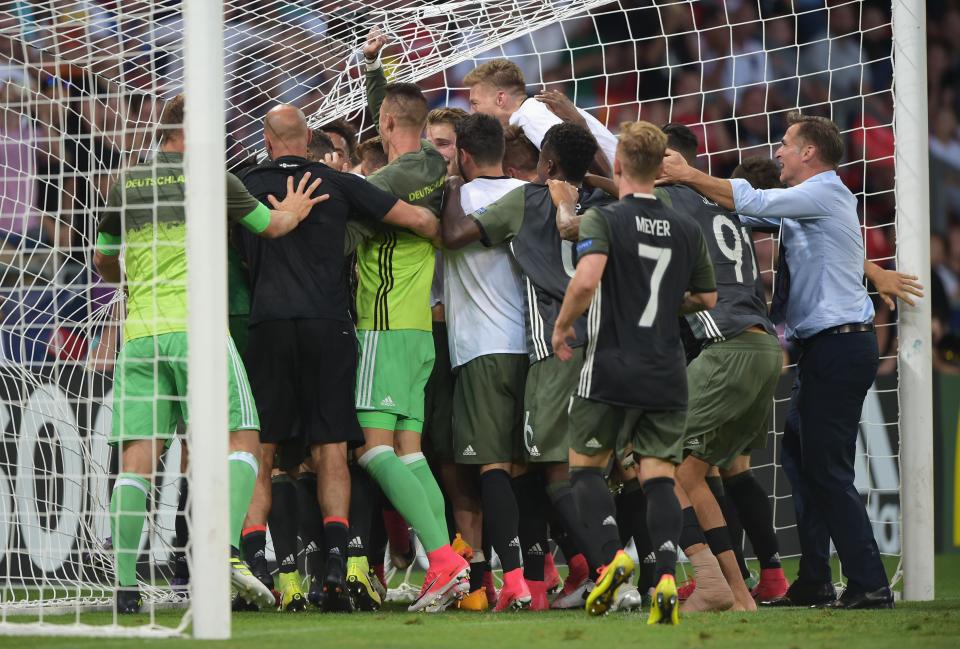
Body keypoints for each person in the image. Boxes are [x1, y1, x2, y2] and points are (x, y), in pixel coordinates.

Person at [658, 111, 918, 610]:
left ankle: (869, 584)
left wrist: (687, 173)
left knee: (828, 469)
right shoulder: (814, 203)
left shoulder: (823, 190)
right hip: (819, 348)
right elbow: (741, 213)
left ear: (809, 153)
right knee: (800, 462)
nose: (777, 151)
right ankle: (815, 578)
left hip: (840, 346)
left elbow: (749, 200)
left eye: (785, 143)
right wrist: (871, 269)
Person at [93, 94, 325, 614]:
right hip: (198, 329)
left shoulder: (124, 183)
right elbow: (274, 228)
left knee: (137, 462)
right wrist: (295, 207)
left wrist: (133, 280)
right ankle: (223, 549)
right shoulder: (213, 179)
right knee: (243, 438)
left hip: (140, 334)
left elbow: (103, 261)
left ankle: (126, 589)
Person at [237, 104, 441, 612]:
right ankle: (338, 568)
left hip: (268, 326)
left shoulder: (241, 184)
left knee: (264, 450)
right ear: (308, 137)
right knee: (332, 448)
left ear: (265, 138)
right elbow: (417, 219)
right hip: (329, 328)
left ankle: (261, 567)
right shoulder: (337, 182)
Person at [551, 120, 717, 623]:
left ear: (619, 164)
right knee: (659, 477)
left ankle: (611, 559)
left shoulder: (607, 218)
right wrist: (667, 303)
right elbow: (707, 298)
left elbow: (586, 280)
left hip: (611, 364)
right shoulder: (687, 228)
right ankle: (667, 576)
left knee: (583, 468)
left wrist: (562, 328)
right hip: (667, 367)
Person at [441, 122, 610, 610]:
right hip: (595, 340)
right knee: (548, 466)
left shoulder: (524, 199)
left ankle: (596, 568)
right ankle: (554, 578)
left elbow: (452, 234)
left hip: (548, 343)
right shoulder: (597, 203)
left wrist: (452, 186)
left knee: (542, 470)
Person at [354, 29, 469, 613]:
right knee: (408, 453)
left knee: (372, 452)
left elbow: (353, 207)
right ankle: (449, 561)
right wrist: (379, 66)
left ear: (382, 125)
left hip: (383, 329)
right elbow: (396, 106)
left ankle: (443, 562)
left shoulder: (384, 182)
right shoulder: (428, 162)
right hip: (420, 331)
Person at [437, 112, 532, 611]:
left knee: (491, 468)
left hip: (481, 348)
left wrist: (452, 184)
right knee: (523, 468)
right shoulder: (527, 192)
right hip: (528, 345)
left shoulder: (462, 200)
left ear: (465, 155)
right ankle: (531, 578)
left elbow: (448, 236)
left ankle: (511, 580)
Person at [463, 60, 617, 168]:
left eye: (475, 103)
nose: (471, 112)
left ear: (500, 98)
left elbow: (578, 166)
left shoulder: (530, 117)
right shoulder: (533, 110)